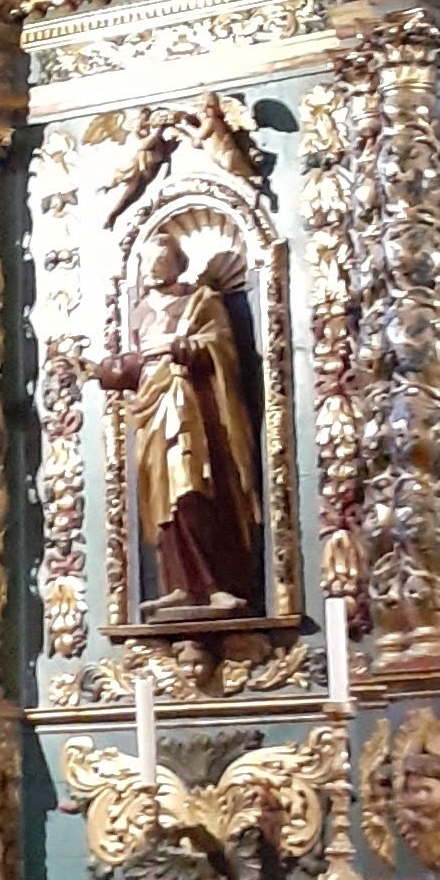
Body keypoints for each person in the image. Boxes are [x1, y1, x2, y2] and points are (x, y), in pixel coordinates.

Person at [95, 232, 264, 615]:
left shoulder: (201, 301)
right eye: (148, 262)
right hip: (152, 409)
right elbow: (138, 363)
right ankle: (178, 584)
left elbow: (223, 348)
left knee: (193, 486)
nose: (154, 269)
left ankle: (216, 584)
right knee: (160, 494)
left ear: (177, 263)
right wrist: (113, 372)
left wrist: (193, 349)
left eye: (161, 260)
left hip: (193, 408)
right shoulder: (140, 311)